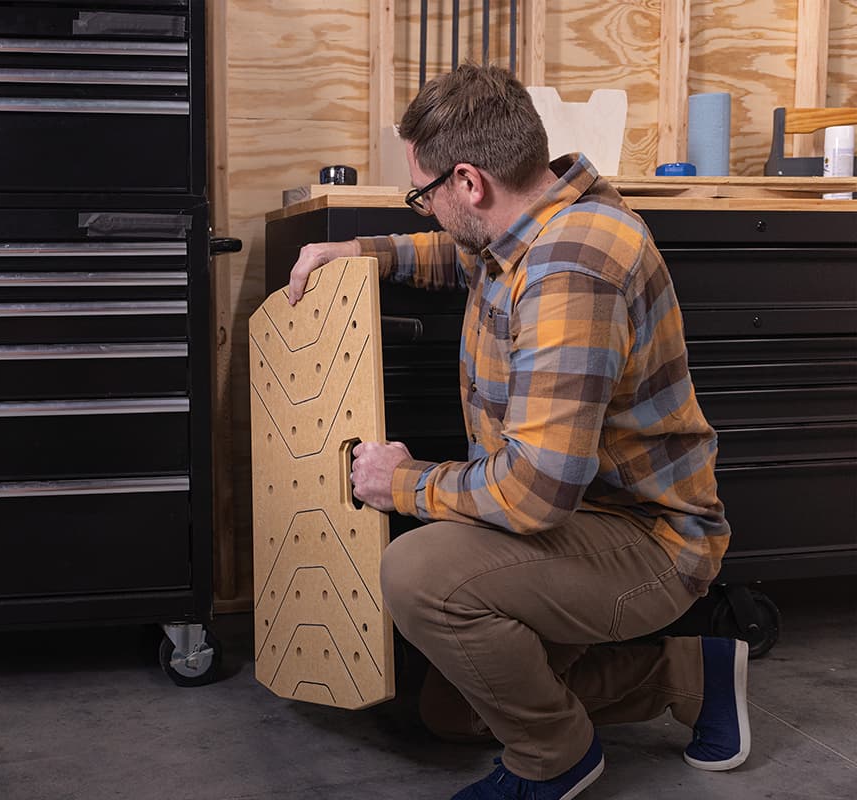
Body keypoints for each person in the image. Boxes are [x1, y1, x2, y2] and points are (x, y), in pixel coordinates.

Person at [285, 64, 747, 800]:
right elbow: (459, 254)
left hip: (644, 540)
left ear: (469, 183)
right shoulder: (530, 225)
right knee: (453, 713)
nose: (427, 210)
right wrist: (363, 252)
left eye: (425, 193)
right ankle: (687, 671)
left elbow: (534, 496)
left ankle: (555, 760)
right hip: (576, 523)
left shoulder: (573, 265)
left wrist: (398, 481)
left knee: (419, 573)